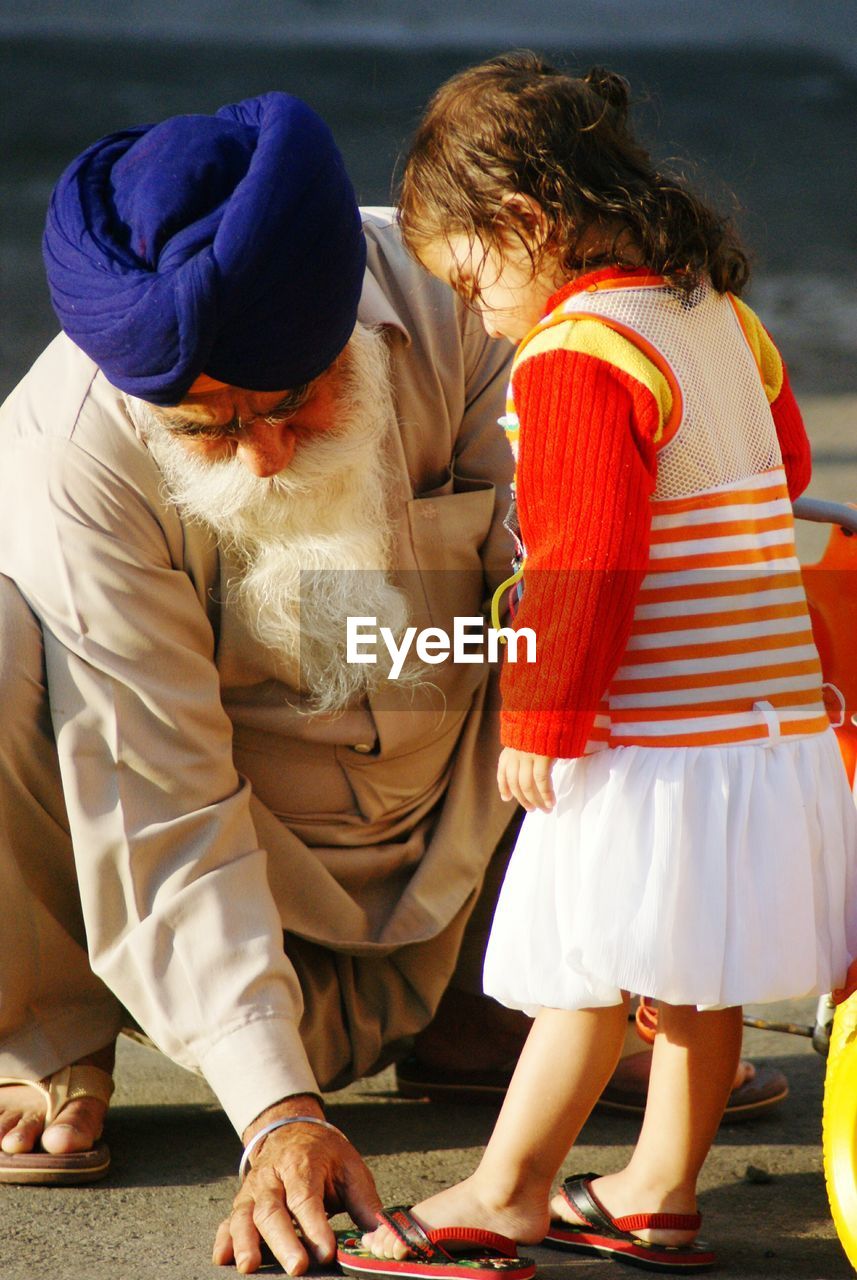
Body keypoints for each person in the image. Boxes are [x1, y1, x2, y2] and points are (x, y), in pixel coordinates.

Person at [346, 52, 857, 1276]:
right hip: (765, 717)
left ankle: (507, 1190)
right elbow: (781, 473)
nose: (472, 309)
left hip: (652, 728)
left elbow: (584, 560)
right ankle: (657, 1190)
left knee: (582, 969)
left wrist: (540, 722)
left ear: (524, 223)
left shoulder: (575, 354)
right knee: (699, 968)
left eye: (469, 276)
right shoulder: (712, 313)